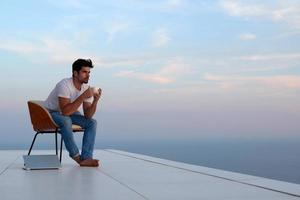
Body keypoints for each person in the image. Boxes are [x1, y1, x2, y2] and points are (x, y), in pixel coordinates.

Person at [43, 58, 101, 167]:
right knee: (66, 120)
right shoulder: (64, 84)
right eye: (84, 72)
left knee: (92, 122)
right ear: (75, 73)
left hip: (68, 113)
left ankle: (87, 158)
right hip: (50, 113)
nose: (88, 75)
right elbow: (65, 111)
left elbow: (88, 115)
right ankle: (77, 157)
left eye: (89, 72)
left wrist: (95, 100)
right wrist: (83, 96)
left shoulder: (86, 88)